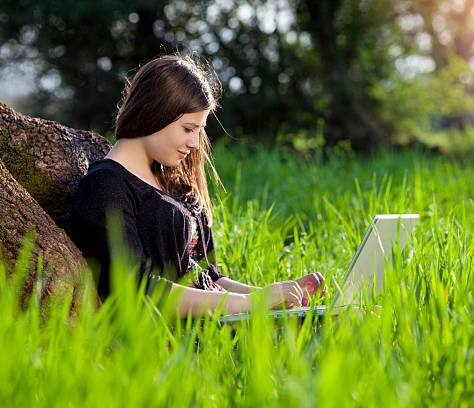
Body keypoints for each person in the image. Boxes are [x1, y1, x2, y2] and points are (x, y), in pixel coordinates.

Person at [71, 54, 325, 317]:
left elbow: (208, 278)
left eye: (198, 131)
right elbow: (138, 289)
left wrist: (274, 295)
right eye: (187, 129)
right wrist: (255, 303)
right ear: (152, 113)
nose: (194, 144)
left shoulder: (171, 178)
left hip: (218, 330)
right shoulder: (105, 186)